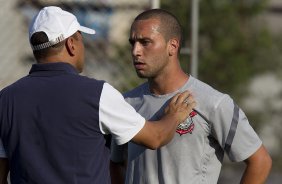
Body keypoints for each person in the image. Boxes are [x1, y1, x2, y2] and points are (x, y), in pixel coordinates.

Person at [0, 6, 196, 184]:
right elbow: (155, 137)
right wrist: (174, 116)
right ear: (71, 44)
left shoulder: (5, 99)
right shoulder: (97, 94)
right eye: (81, 39)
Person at [110, 9, 272, 184]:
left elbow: (260, 162)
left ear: (172, 46)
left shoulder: (213, 102)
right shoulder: (126, 103)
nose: (135, 51)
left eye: (145, 42)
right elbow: (115, 163)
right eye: (132, 43)